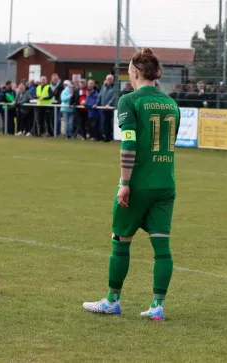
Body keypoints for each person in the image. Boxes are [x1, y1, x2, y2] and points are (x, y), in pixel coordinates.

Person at [83, 48, 180, 321]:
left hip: (138, 183)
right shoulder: (171, 104)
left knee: (120, 242)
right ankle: (157, 306)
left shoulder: (129, 100)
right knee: (162, 247)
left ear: (135, 72)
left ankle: (112, 301)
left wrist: (125, 182)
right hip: (166, 183)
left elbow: (129, 143)